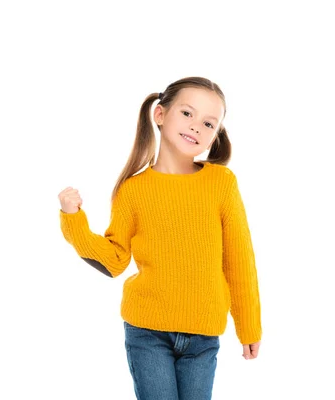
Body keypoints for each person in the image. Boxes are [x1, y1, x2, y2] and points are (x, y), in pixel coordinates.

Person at [58, 76, 262, 400]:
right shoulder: (133, 190)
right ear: (160, 114)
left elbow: (239, 259)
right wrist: (74, 220)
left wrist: (249, 325)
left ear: (215, 135)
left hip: (204, 333)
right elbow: (113, 261)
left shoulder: (222, 183)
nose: (196, 126)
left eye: (209, 123)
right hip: (147, 333)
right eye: (187, 113)